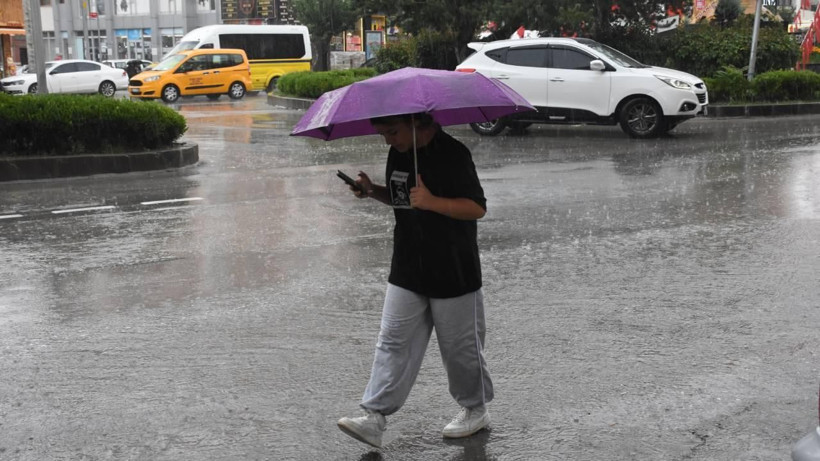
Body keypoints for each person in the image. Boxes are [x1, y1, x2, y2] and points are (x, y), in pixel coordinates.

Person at [337, 112, 494, 448]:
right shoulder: (400, 151)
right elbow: (403, 198)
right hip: (408, 264)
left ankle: (474, 409)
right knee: (393, 341)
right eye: (382, 134)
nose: (387, 141)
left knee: (460, 349)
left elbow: (476, 208)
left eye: (392, 132)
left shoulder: (453, 154)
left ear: (415, 122)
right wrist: (372, 191)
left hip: (453, 267)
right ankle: (374, 417)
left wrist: (434, 202)